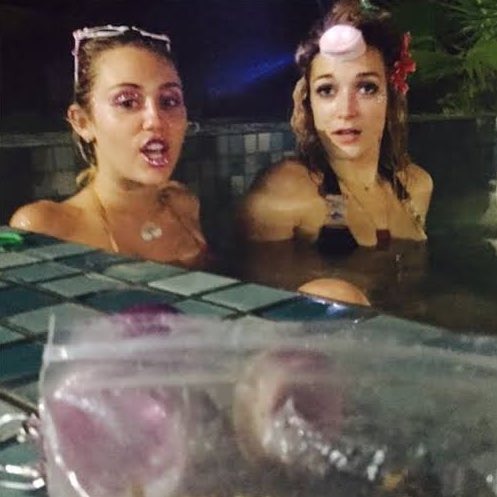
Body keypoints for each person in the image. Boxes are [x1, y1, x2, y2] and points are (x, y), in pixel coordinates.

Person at [239, 0, 433, 253]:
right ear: (309, 103)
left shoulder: (416, 186)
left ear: (391, 98)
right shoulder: (285, 192)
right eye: (327, 90)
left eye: (367, 88)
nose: (347, 111)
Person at [10, 25, 207, 268]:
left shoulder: (182, 204)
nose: (155, 120)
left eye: (169, 101)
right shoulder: (47, 227)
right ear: (83, 122)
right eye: (127, 102)